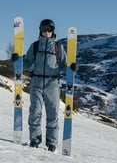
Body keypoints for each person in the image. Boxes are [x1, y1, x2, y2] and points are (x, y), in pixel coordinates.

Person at [12, 19, 76, 152]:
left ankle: (52, 143)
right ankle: (35, 140)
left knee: (52, 114)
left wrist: (72, 67)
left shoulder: (58, 48)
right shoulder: (35, 46)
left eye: (49, 29)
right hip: (36, 83)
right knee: (35, 111)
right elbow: (27, 62)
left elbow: (64, 65)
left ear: (53, 31)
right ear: (40, 30)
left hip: (52, 84)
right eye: (44, 29)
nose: (46, 32)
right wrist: (17, 60)